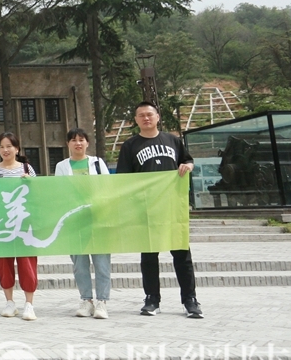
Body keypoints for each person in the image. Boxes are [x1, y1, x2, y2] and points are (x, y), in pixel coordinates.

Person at [117, 101, 203, 318]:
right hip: (146, 208)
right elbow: (123, 179)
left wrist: (188, 166)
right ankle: (152, 299)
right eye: (141, 115)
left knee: (182, 254)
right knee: (149, 256)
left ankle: (190, 300)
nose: (146, 118)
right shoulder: (130, 146)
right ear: (136, 120)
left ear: (157, 117)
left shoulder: (173, 140)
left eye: (149, 114)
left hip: (172, 206)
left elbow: (188, 161)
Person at [54, 128, 111, 320]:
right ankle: (86, 300)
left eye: (81, 140)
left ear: (87, 143)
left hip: (98, 219)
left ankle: (102, 301)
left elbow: (108, 188)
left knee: (102, 262)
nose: (78, 143)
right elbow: (60, 192)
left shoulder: (97, 163)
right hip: (75, 221)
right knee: (80, 264)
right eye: (73, 140)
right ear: (68, 144)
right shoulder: (62, 166)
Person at [0, 132, 39, 321]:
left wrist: (30, 182)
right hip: (2, 224)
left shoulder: (27, 168)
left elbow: (37, 195)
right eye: (2, 147)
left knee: (27, 263)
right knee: (4, 263)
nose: (5, 150)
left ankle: (29, 304)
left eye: (9, 146)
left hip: (24, 224)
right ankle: (9, 302)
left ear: (17, 149)